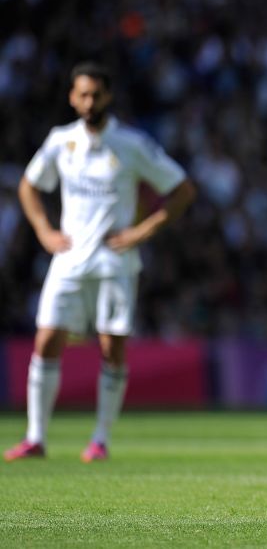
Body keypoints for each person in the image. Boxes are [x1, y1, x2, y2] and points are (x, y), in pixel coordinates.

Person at [4, 62, 196, 463]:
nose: (89, 102)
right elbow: (28, 185)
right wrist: (43, 230)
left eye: (96, 94)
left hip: (114, 263)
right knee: (46, 341)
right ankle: (36, 437)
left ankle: (100, 440)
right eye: (82, 94)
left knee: (112, 349)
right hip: (69, 259)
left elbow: (181, 189)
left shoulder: (131, 144)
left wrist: (143, 232)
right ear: (72, 98)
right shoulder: (61, 141)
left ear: (108, 97)